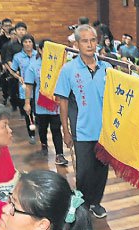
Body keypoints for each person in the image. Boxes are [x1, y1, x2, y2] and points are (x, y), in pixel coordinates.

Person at [55, 24, 112, 219]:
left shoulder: (108, 68)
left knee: (101, 170)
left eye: (93, 40)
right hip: (82, 131)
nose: (90, 44)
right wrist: (66, 130)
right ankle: (82, 203)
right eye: (85, 41)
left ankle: (96, 202)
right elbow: (62, 101)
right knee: (84, 171)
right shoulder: (69, 70)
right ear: (77, 44)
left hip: (105, 132)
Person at [24, 39, 68, 165]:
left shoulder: (58, 64)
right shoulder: (33, 66)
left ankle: (59, 154)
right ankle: (43, 143)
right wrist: (27, 103)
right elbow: (29, 86)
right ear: (40, 50)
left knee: (56, 128)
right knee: (42, 128)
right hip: (40, 104)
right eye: (45, 50)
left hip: (55, 103)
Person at [10, 34, 37, 144]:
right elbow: (12, 70)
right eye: (25, 42)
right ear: (22, 44)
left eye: (30, 42)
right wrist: (18, 77)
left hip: (38, 87)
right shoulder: (17, 57)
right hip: (25, 87)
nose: (28, 44)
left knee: (38, 110)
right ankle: (32, 135)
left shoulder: (38, 55)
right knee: (28, 111)